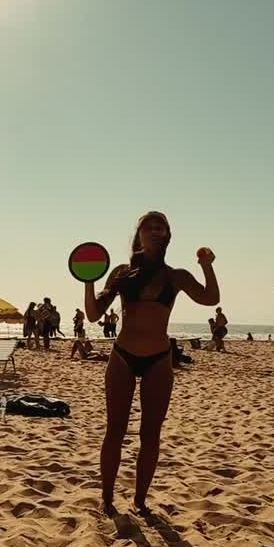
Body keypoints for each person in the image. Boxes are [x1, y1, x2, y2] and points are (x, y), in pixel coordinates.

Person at [84, 211, 219, 515]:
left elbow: (210, 298)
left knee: (150, 434)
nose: (157, 232)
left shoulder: (176, 276)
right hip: (123, 356)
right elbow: (93, 314)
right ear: (140, 235)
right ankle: (107, 498)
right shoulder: (121, 273)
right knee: (115, 430)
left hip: (159, 359)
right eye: (150, 227)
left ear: (168, 236)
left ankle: (140, 501)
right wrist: (88, 280)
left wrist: (207, 266)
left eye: (162, 228)